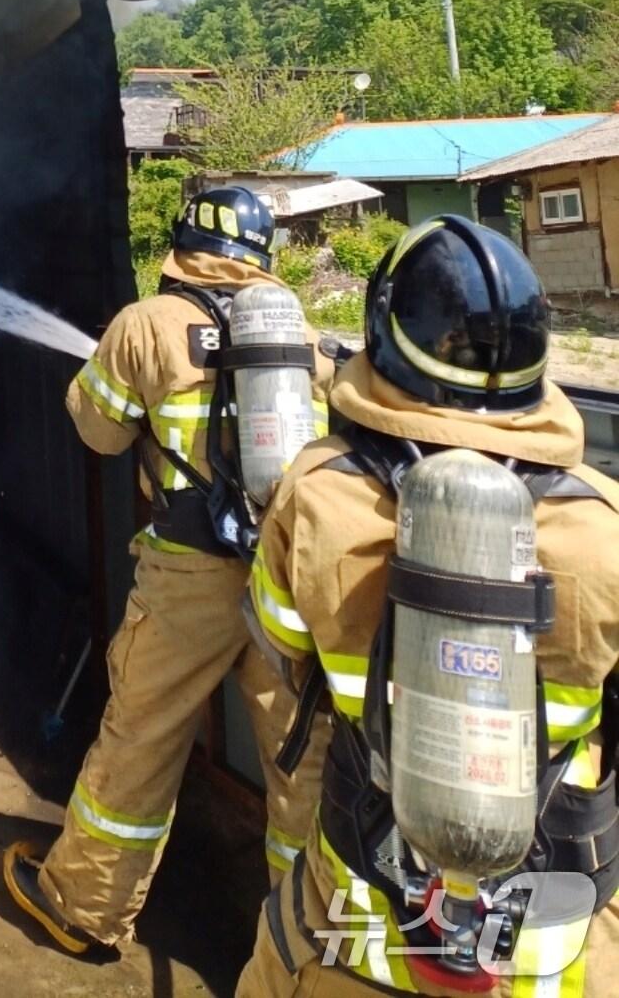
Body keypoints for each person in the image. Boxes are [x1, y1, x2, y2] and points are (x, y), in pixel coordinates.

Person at [237, 215, 619, 997]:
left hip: (359, 934)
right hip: (560, 951)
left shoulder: (312, 497)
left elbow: (279, 657)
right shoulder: (603, 523)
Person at [3, 186, 337, 959]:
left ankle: (83, 908)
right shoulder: (292, 328)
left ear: (185, 241)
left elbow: (101, 432)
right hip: (285, 571)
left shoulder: (145, 324)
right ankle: (309, 940)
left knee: (142, 738)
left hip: (190, 571)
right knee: (300, 754)